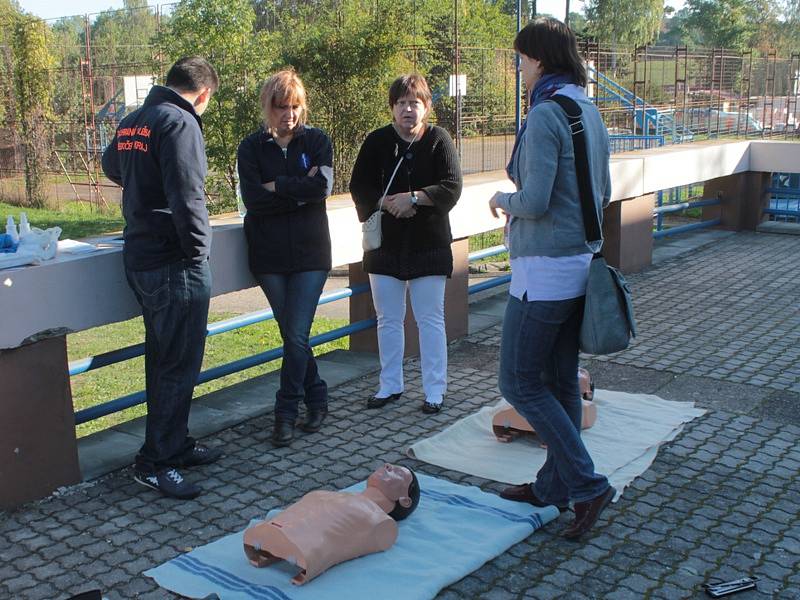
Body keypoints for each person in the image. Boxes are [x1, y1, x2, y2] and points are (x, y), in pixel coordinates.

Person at [488, 18, 616, 538]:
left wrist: (501, 200)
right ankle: (553, 485)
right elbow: (602, 192)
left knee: (517, 380)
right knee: (560, 380)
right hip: (579, 263)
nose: (518, 68)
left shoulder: (544, 115)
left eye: (521, 59)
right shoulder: (587, 109)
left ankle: (585, 484)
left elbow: (534, 200)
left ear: (539, 60)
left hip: (542, 270)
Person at [102, 57, 222, 500]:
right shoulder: (180, 122)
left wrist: (143, 187)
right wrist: (197, 252)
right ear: (204, 93)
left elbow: (111, 166)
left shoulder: (134, 120)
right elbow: (187, 194)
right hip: (175, 262)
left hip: (141, 255)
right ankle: (156, 462)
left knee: (164, 358)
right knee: (178, 365)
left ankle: (174, 442)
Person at [350, 74, 462, 415]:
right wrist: (387, 203)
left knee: (430, 319)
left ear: (426, 106)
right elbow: (360, 187)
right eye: (401, 103)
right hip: (385, 246)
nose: (408, 110)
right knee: (388, 318)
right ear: (392, 108)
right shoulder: (376, 142)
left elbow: (452, 185)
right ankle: (390, 384)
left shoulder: (439, 140)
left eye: (414, 103)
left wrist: (415, 198)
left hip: (429, 243)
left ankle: (434, 390)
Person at [237, 70, 333, 448]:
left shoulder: (318, 140)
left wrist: (278, 186)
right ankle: (318, 396)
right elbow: (253, 199)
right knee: (294, 335)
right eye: (281, 107)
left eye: (294, 107)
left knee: (295, 334)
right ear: (267, 107)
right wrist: (298, 190)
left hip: (311, 253)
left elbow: (322, 186)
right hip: (269, 255)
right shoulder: (251, 147)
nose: (288, 115)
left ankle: (285, 413)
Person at [243, 464, 420, 585]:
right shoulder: (334, 495)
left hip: (302, 551)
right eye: (390, 465)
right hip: (262, 534)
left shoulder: (382, 524)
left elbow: (340, 548)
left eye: (398, 473)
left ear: (405, 500)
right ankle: (273, 543)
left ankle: (279, 545)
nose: (388, 466)